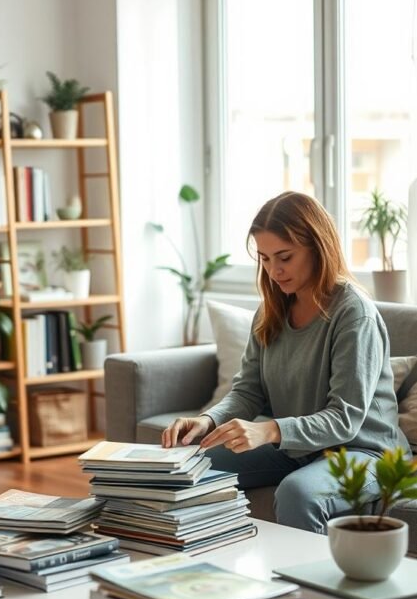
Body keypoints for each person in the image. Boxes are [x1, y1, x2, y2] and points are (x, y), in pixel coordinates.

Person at [162, 191, 409, 534]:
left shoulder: (353, 315)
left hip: (366, 453)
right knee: (183, 465)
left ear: (317, 247)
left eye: (285, 257)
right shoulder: (271, 310)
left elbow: (345, 419)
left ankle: (307, 588)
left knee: (297, 492)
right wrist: (206, 421)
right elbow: (247, 392)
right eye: (264, 259)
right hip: (299, 448)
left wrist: (270, 430)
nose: (274, 270)